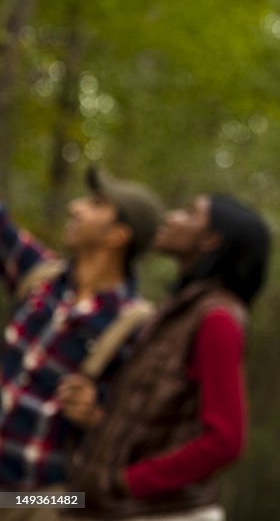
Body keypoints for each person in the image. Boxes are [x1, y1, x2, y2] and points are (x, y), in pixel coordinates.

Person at [57, 194, 271, 520]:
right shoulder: (177, 311)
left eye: (189, 213)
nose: (171, 217)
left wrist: (128, 482)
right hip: (103, 504)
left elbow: (227, 440)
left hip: (164, 512)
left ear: (211, 240)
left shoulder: (218, 319)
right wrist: (98, 419)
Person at [0, 167, 162, 519]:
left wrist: (97, 416)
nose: (76, 207)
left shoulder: (138, 325)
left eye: (95, 204)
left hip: (39, 501)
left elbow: (141, 432)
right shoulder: (42, 278)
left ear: (118, 235)